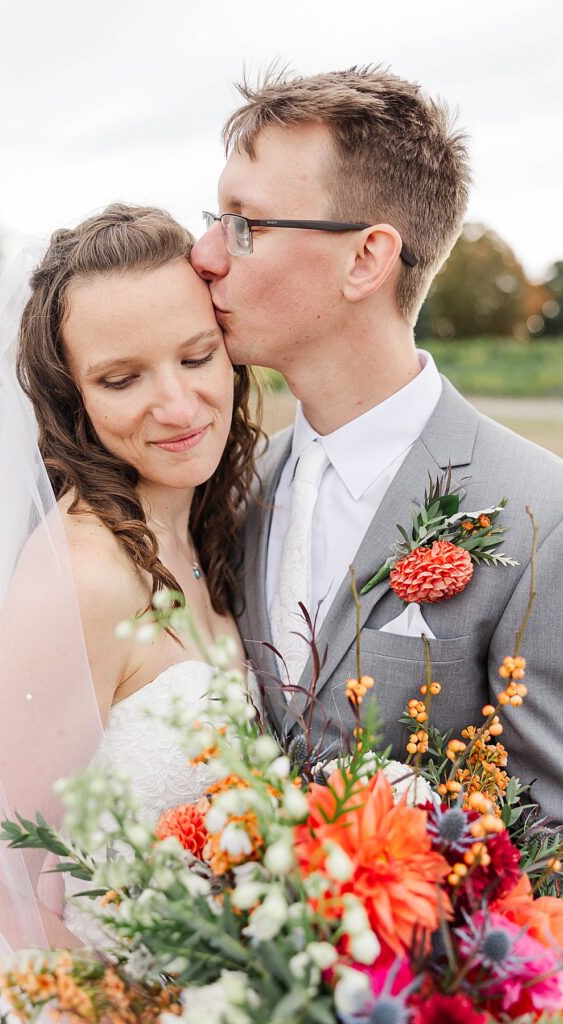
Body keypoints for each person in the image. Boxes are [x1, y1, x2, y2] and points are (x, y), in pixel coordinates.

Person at [0, 204, 262, 1020]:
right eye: (121, 378)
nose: (177, 404)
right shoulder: (81, 578)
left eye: (196, 356)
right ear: (72, 399)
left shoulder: (213, 531)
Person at [191, 66, 563, 825]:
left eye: (244, 225)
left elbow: (546, 846)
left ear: (364, 258)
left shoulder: (540, 519)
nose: (203, 254)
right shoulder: (226, 488)